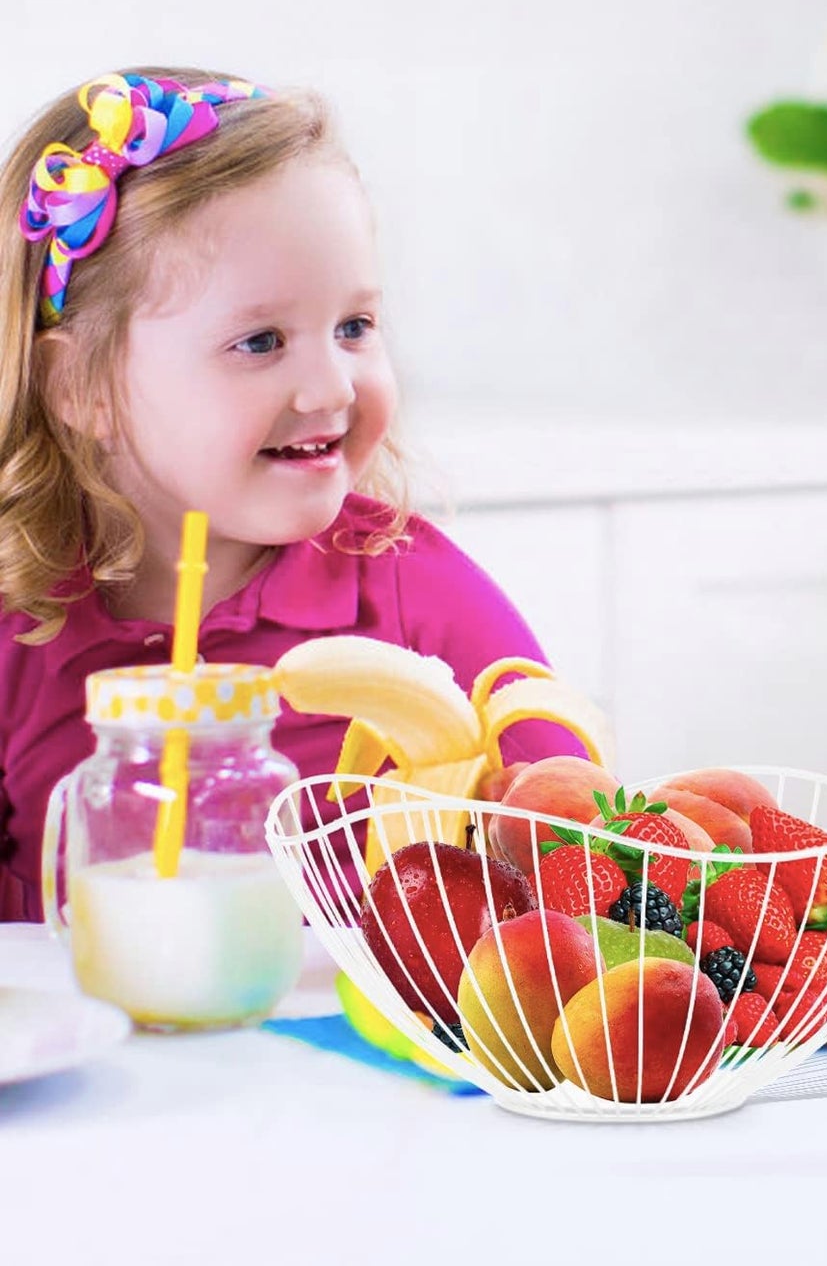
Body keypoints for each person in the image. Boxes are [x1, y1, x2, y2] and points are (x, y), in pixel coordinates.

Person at [0, 69, 579, 921]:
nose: (330, 388)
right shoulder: (20, 619)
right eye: (260, 340)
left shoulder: (416, 594)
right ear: (79, 387)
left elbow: (582, 851)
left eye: (354, 327)